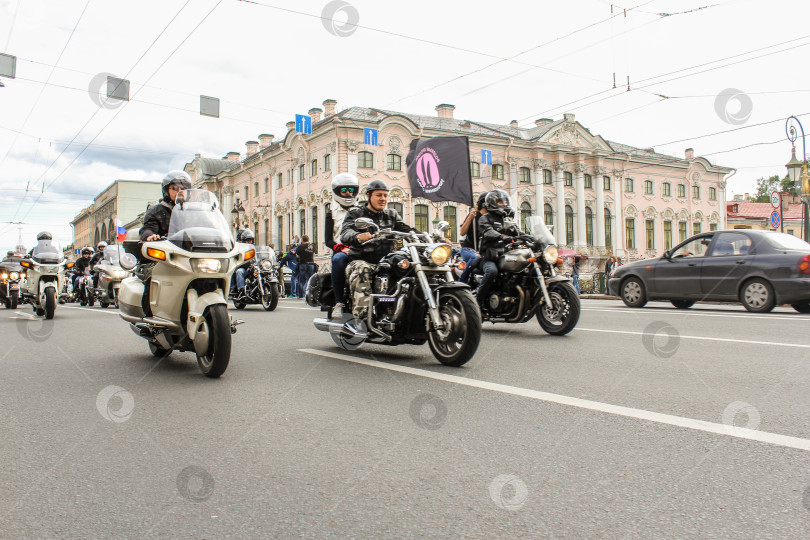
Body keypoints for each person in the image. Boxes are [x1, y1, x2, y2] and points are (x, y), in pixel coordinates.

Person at [340, 179, 417, 320]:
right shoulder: (356, 214)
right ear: (368, 196)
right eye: (379, 195)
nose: (383, 199)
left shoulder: (391, 214)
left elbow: (406, 230)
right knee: (362, 270)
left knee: (408, 270)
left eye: (385, 195)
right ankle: (361, 319)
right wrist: (358, 236)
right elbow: (345, 233)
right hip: (361, 259)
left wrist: (428, 238)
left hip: (385, 262)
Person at [138, 170, 192, 316]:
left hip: (190, 255)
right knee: (152, 273)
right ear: (166, 190)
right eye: (175, 188)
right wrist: (150, 236)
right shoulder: (157, 210)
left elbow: (208, 226)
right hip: (165, 256)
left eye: (183, 188)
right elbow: (147, 229)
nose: (179, 191)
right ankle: (149, 318)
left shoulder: (193, 210)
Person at [475, 190, 521, 306]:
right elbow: (488, 231)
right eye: (500, 202)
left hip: (506, 257)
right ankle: (478, 301)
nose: (504, 204)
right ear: (492, 203)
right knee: (492, 271)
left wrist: (533, 238)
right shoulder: (485, 218)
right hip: (488, 258)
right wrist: (502, 236)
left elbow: (518, 233)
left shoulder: (507, 220)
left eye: (505, 202)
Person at [324, 173, 360, 318]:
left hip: (360, 250)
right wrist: (341, 248)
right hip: (341, 251)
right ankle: (339, 302)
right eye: (344, 190)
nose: (347, 193)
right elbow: (328, 240)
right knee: (338, 260)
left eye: (351, 190)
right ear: (337, 191)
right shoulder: (331, 213)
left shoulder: (361, 211)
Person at [457, 192, 488, 284]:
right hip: (469, 249)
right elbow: (462, 232)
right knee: (475, 257)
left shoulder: (492, 218)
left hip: (485, 251)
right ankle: (462, 280)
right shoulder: (475, 215)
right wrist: (470, 217)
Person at [232, 229, 255, 298]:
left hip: (254, 268)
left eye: (250, 240)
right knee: (239, 272)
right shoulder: (240, 248)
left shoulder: (254, 248)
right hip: (245, 269)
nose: (249, 242)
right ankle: (241, 291)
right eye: (247, 240)